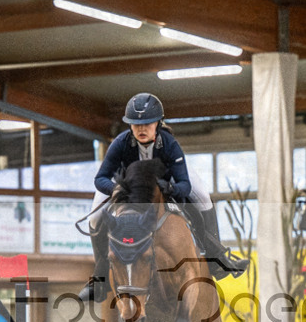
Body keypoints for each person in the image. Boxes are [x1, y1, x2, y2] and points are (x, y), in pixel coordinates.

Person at [77, 93, 249, 302]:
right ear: (130, 125)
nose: (141, 129)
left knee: (203, 197)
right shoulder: (120, 143)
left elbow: (185, 185)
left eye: (147, 124)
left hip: (166, 182)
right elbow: (100, 179)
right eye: (136, 124)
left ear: (158, 123)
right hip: (124, 184)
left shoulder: (169, 144)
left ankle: (217, 258)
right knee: (94, 217)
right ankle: (99, 277)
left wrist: (171, 188)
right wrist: (118, 189)